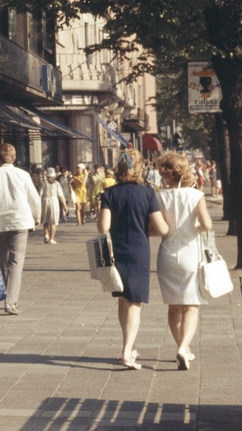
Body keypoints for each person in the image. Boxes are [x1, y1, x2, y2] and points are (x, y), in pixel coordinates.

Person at [97, 151, 169, 370]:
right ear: (140, 169)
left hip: (116, 251)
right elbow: (162, 228)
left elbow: (103, 227)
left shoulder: (109, 193)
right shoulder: (148, 194)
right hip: (139, 251)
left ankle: (129, 345)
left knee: (123, 299)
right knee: (135, 303)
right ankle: (128, 351)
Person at [154, 152, 212, 370]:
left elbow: (158, 228)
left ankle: (182, 347)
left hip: (167, 254)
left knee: (173, 307)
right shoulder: (195, 195)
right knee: (191, 306)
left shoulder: (159, 196)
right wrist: (193, 227)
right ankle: (184, 347)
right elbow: (206, 225)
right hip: (191, 254)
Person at [0, 143, 41, 315]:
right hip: (19, 221)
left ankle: (8, 296)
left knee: (5, 260)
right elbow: (34, 198)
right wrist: (37, 217)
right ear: (14, 158)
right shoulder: (23, 175)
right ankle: (11, 302)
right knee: (16, 261)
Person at [39, 167, 68, 244]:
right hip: (54, 201)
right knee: (53, 221)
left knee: (45, 220)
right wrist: (65, 205)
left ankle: (46, 234)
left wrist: (38, 203)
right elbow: (61, 195)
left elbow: (40, 194)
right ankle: (52, 238)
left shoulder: (43, 183)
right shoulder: (57, 184)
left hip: (45, 200)